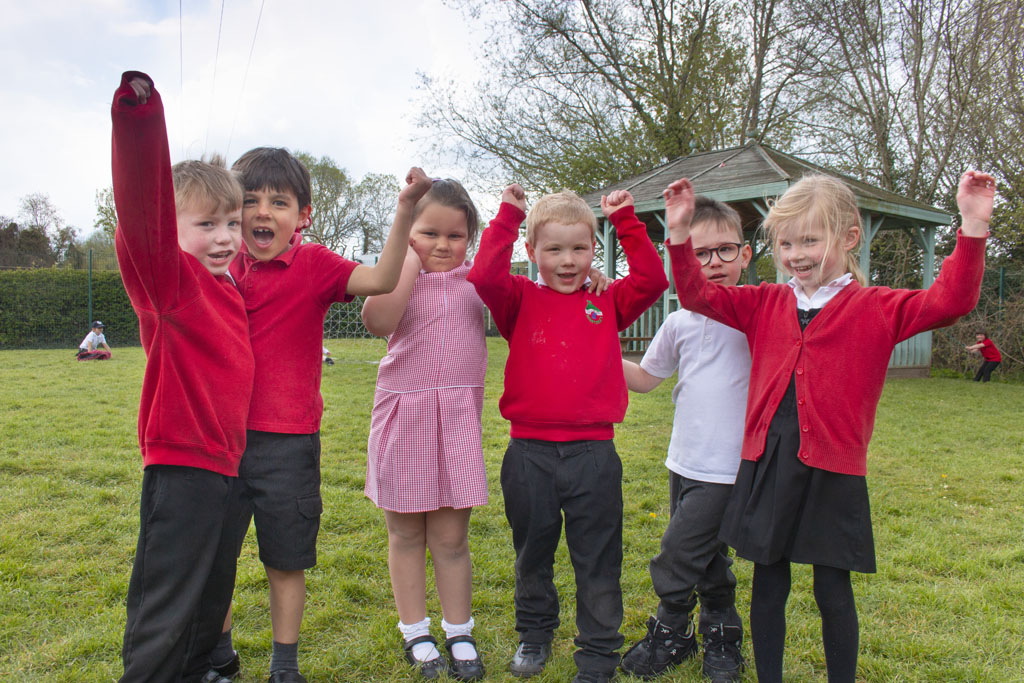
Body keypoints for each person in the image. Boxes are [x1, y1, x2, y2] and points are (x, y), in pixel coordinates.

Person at [662, 170, 994, 682]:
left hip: (832, 470)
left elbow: (950, 302)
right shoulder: (766, 302)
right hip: (769, 463)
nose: (796, 254)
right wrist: (680, 235)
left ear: (849, 238)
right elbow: (697, 295)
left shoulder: (877, 307)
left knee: (831, 590)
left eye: (810, 240)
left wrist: (971, 226)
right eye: (786, 243)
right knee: (769, 584)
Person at [219, 147, 431, 683]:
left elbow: (383, 279)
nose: (263, 212)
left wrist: (405, 209)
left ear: (303, 215)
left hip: (288, 446)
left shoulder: (313, 265)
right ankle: (216, 658)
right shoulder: (217, 265)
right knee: (213, 560)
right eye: (250, 201)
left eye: (279, 201)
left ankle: (284, 666)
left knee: (285, 561)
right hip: (218, 442)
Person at [468, 185, 668, 683]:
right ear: (532, 252)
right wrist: (509, 215)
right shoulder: (517, 298)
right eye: (553, 249)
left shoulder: (609, 301)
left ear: (594, 251)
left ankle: (598, 655)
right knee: (532, 552)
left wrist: (624, 218)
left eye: (579, 248)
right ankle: (535, 635)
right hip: (528, 453)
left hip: (594, 454)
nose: (567, 260)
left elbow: (652, 278)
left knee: (598, 558)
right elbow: (483, 273)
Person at [111, 71, 254, 683]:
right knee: (168, 601)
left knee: (211, 590)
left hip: (226, 463)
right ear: (171, 233)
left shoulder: (227, 288)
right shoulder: (170, 282)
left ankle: (200, 670)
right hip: (182, 463)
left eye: (231, 223)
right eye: (206, 226)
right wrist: (141, 122)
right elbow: (142, 206)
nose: (224, 238)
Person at [618, 196, 752, 682]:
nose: (712, 264)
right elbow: (647, 378)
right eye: (699, 254)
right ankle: (721, 631)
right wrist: (595, 346)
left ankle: (670, 629)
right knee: (708, 553)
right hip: (684, 462)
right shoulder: (679, 322)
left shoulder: (759, 317)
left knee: (677, 552)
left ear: (746, 255)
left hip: (731, 468)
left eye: (724, 251)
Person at [360, 179, 488, 681]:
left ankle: (459, 629)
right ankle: (416, 631)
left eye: (454, 236)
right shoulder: (394, 277)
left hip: (455, 424)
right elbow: (378, 320)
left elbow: (527, 294)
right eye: (427, 232)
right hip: (404, 422)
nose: (441, 245)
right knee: (407, 533)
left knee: (452, 538)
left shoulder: (477, 283)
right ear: (408, 233)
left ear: (469, 240)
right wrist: (406, 261)